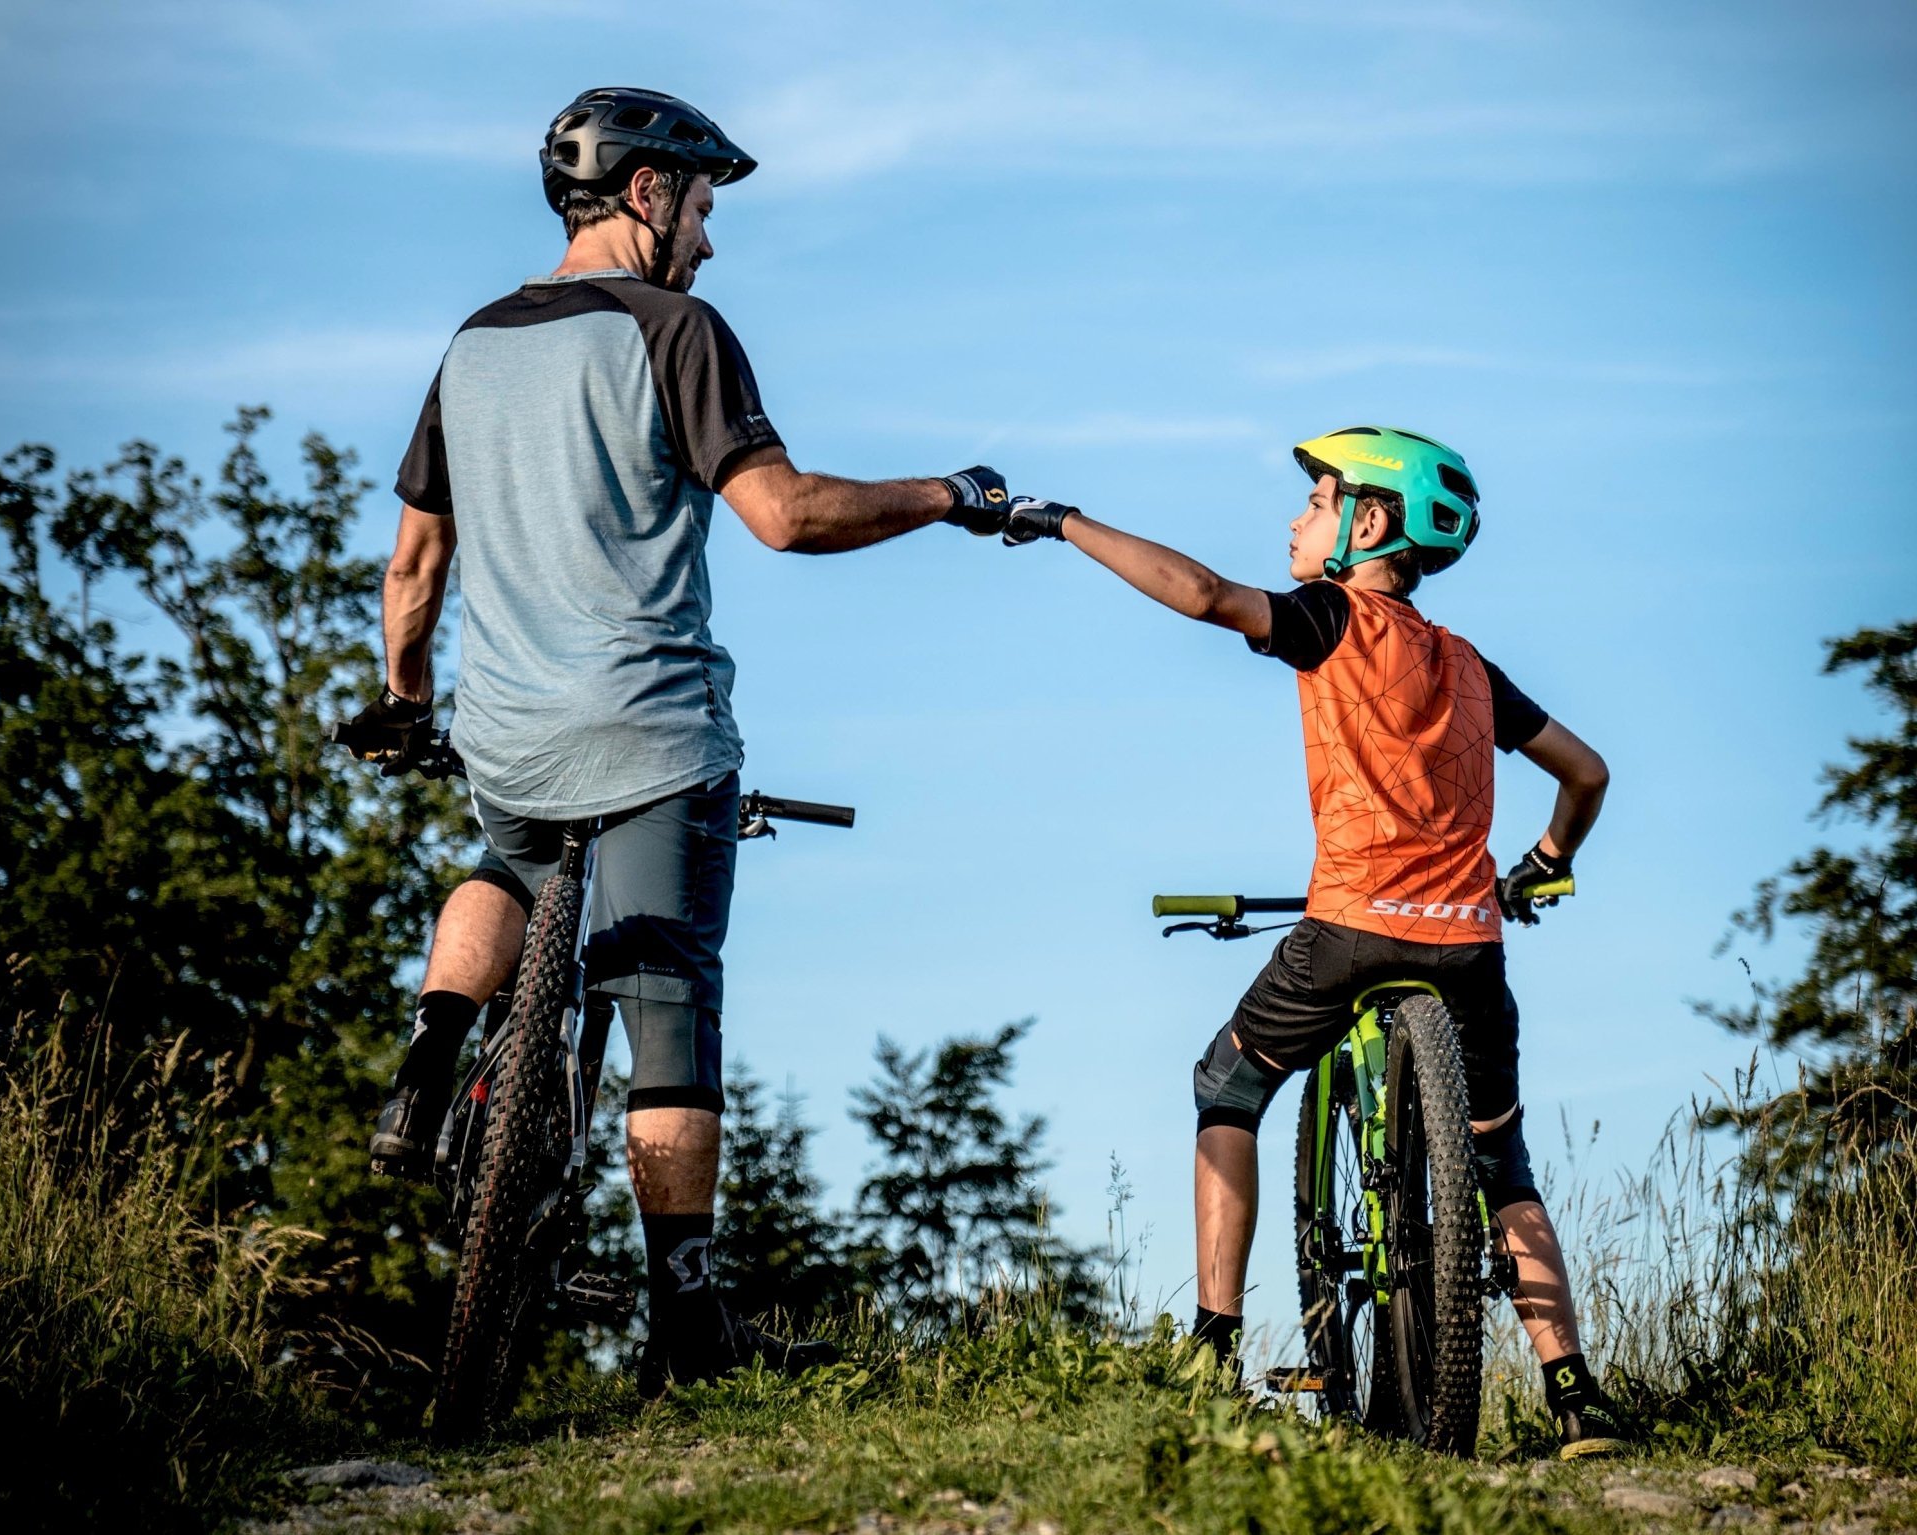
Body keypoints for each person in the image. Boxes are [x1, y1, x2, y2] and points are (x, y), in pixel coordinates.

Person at [342, 87, 1021, 1394]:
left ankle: (434, 1043)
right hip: (651, 726)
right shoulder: (679, 330)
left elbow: (416, 562)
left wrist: (410, 698)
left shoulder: (470, 345)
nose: (709, 241)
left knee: (507, 860)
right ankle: (687, 1312)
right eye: (704, 209)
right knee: (665, 998)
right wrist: (947, 496)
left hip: (509, 727)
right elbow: (785, 514)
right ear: (650, 193)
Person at [1001, 427, 1630, 1458]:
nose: (1297, 519)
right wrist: (1541, 862)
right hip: (1470, 945)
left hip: (1347, 929)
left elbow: (1203, 594)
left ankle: (1212, 1347)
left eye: (1318, 499)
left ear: (1368, 524)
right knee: (1500, 1159)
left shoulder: (1332, 619)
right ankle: (1574, 1395)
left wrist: (1064, 522)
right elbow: (1589, 771)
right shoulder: (1471, 667)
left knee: (1226, 1086)